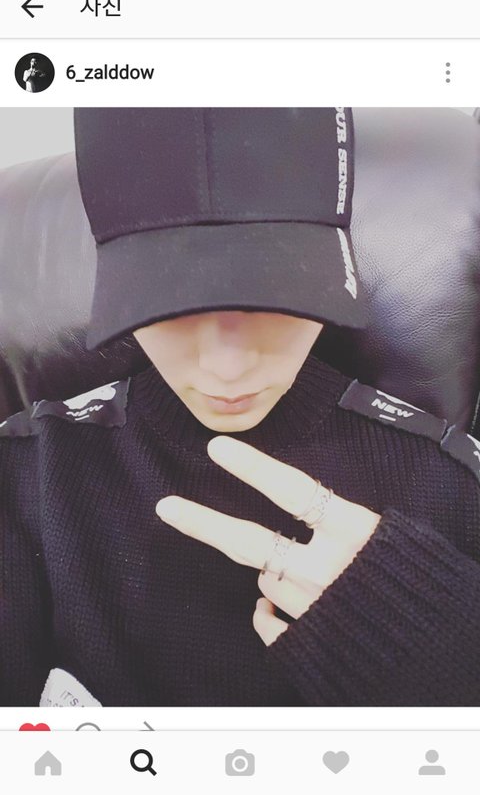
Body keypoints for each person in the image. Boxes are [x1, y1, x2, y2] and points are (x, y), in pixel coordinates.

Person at [1, 107, 479, 707]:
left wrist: (445, 649)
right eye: (169, 300)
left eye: (275, 292)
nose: (226, 370)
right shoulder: (25, 478)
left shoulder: (453, 482)